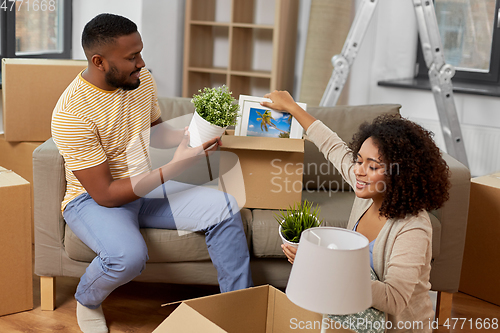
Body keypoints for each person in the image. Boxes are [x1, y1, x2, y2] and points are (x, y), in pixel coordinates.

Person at [51, 13, 253, 333]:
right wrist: (176, 166)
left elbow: (154, 131)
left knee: (225, 207)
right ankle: (87, 299)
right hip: (93, 200)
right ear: (99, 61)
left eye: (140, 52)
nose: (142, 63)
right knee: (128, 256)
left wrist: (192, 135)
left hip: (145, 186)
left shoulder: (139, 81)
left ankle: (239, 310)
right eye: (132, 57)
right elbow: (105, 193)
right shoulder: (72, 113)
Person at [261, 90, 450, 333]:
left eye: (372, 166)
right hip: (355, 319)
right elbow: (332, 146)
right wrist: (293, 108)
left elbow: (394, 298)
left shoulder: (413, 227)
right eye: (359, 160)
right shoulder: (367, 192)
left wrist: (324, 268)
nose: (359, 171)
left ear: (399, 174)